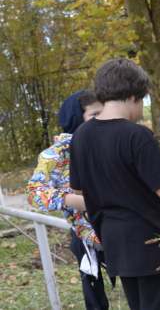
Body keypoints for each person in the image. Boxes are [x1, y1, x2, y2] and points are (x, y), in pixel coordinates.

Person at [69, 58, 160, 310]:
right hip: (151, 243)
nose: (141, 109)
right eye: (142, 101)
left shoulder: (81, 136)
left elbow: (78, 188)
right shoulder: (137, 135)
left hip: (114, 242)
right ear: (132, 97)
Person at [28, 90, 107, 310]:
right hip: (84, 235)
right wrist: (75, 200)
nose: (101, 119)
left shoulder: (108, 141)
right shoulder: (56, 153)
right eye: (94, 115)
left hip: (118, 228)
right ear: (76, 118)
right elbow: (34, 193)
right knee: (95, 299)